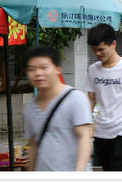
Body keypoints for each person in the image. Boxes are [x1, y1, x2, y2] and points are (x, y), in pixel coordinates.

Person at [23, 45, 93, 173]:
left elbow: (85, 138)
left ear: (57, 69)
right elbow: (33, 146)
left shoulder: (76, 98)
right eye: (32, 69)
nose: (38, 73)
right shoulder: (30, 108)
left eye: (44, 67)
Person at [85, 23, 122, 171]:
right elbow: (91, 99)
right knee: (107, 170)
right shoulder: (93, 70)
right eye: (94, 50)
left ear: (114, 44)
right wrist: (86, 125)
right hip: (101, 132)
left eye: (101, 49)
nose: (98, 53)